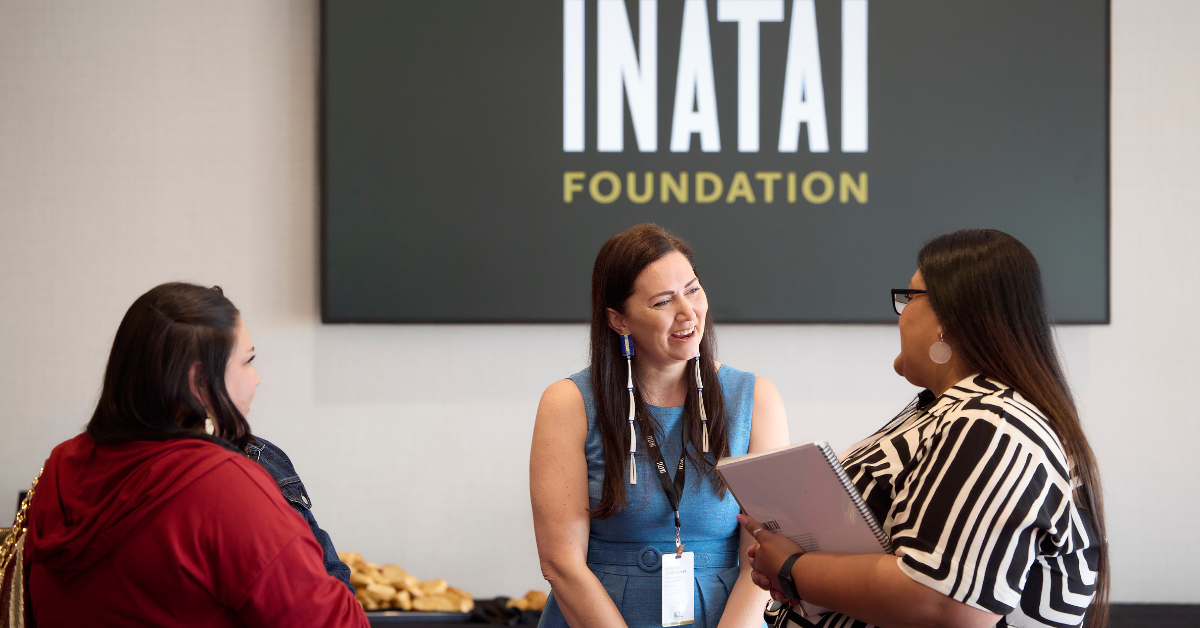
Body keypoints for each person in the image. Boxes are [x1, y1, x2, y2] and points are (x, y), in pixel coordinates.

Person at [739, 229, 1107, 628]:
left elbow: (943, 602)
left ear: (946, 321)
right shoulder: (956, 409)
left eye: (910, 297)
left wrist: (793, 568)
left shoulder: (992, 421)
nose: (901, 313)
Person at [23, 283, 368, 627]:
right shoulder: (225, 486)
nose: (257, 379)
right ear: (198, 380)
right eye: (248, 361)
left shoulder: (61, 466)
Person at [531, 224, 790, 628]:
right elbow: (560, 563)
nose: (688, 313)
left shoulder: (755, 399)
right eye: (662, 302)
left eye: (693, 289)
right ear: (619, 320)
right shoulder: (568, 403)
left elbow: (764, 558)